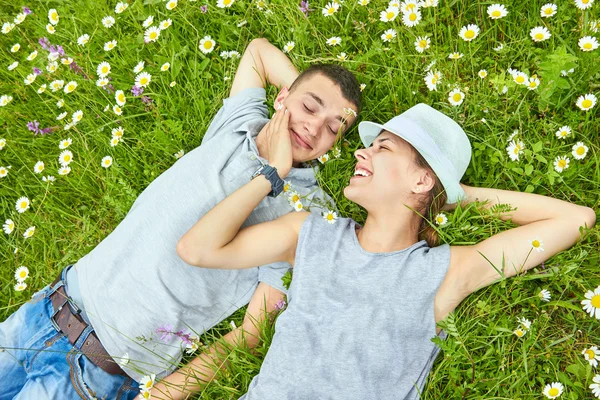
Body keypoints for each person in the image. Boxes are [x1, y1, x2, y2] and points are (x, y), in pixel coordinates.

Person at [0, 38, 361, 400]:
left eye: (333, 129)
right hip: (45, 311)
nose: (315, 128)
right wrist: (299, 99)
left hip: (100, 371)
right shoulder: (240, 125)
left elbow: (251, 332)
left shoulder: (307, 211)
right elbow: (258, 51)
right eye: (309, 108)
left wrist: (162, 395)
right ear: (281, 97)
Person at [177, 103, 596, 399]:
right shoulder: (308, 235)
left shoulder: (444, 272)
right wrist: (271, 175)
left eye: (383, 147)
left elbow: (576, 219)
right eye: (370, 144)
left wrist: (456, 194)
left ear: (422, 180)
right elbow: (197, 248)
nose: (361, 151)